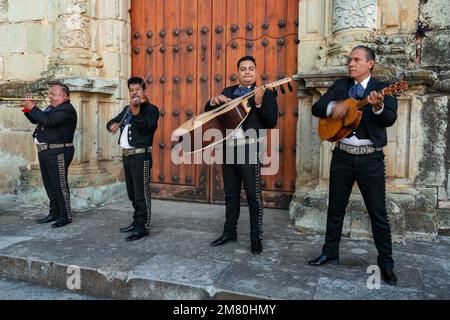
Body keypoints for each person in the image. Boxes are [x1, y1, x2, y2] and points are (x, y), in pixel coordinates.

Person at [308, 45, 398, 285]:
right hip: (342, 156)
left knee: (378, 212)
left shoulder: (382, 88)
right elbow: (317, 107)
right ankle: (329, 252)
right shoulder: (341, 85)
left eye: (356, 60)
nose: (351, 63)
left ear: (370, 64)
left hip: (370, 158)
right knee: (335, 207)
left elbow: (389, 118)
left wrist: (378, 106)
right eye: (349, 59)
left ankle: (386, 264)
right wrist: (333, 108)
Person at [205, 56, 278, 254]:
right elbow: (210, 115)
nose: (247, 72)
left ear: (256, 72)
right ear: (237, 72)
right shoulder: (228, 92)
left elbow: (271, 122)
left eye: (251, 68)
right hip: (227, 148)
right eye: (243, 69)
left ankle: (256, 238)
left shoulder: (266, 93)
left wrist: (260, 103)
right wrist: (212, 102)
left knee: (254, 196)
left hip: (250, 149)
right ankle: (229, 232)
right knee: (230, 194)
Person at [107, 76, 159, 241]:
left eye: (137, 89)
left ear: (144, 91)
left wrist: (136, 112)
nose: (134, 92)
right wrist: (112, 125)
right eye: (131, 90)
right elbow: (114, 121)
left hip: (141, 156)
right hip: (128, 157)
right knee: (132, 193)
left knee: (141, 193)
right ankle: (136, 221)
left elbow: (146, 127)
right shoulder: (126, 109)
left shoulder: (151, 109)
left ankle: (142, 227)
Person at [21, 83, 77, 228]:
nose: (50, 97)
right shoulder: (53, 108)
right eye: (50, 94)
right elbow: (37, 119)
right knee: (50, 184)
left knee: (59, 184)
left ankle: (65, 216)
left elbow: (48, 121)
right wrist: (28, 108)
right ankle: (54, 213)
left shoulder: (67, 110)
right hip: (47, 151)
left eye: (54, 94)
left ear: (65, 96)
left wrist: (33, 107)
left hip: (58, 151)